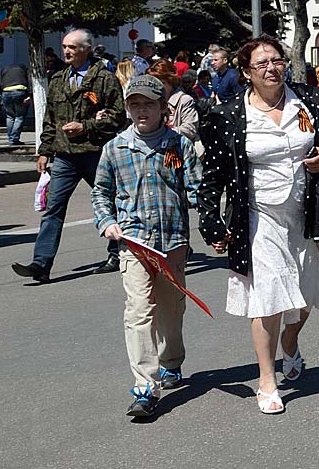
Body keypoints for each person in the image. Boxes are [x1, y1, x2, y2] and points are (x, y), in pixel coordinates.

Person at [197, 34, 319, 415]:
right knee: (267, 298)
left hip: (306, 212)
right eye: (261, 64)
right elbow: (212, 175)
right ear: (246, 72)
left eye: (276, 60)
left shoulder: (307, 100)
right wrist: (212, 222)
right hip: (258, 217)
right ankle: (267, 380)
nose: (271, 68)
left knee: (306, 294)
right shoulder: (228, 114)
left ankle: (291, 343)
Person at [91, 74, 202, 417]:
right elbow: (100, 192)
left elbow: (196, 187)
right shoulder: (115, 149)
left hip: (172, 242)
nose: (141, 110)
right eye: (135, 104)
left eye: (148, 104)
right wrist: (107, 222)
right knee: (139, 311)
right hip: (134, 243)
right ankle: (145, 386)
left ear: (162, 109)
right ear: (127, 108)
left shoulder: (177, 145)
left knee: (171, 308)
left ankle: (171, 362)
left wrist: (212, 211)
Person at [11, 29, 126, 284]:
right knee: (53, 209)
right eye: (64, 46)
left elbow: (118, 116)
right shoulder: (58, 79)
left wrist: (85, 126)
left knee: (110, 202)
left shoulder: (104, 78)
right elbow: (50, 119)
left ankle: (118, 253)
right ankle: (41, 263)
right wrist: (44, 151)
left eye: (72, 47)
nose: (66, 51)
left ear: (86, 48)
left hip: (95, 153)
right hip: (64, 156)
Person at [147, 59, 199, 142]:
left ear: (171, 81)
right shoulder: (148, 99)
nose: (157, 87)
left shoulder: (184, 100)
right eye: (153, 83)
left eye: (161, 83)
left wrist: (164, 132)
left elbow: (190, 129)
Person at [0, 64, 31, 145]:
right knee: (19, 116)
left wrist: (1, 93)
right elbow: (30, 81)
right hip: (20, 91)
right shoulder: (24, 68)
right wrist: (30, 95)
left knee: (9, 116)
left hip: (6, 92)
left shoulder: (4, 68)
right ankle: (14, 138)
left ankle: (10, 138)